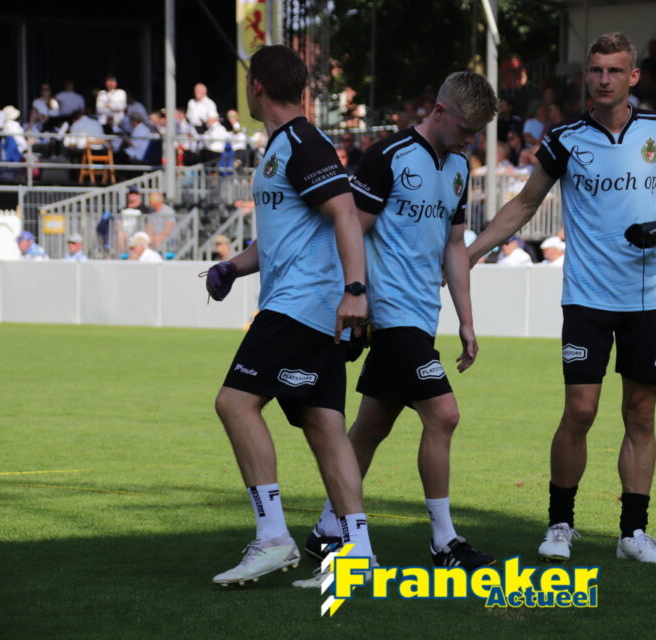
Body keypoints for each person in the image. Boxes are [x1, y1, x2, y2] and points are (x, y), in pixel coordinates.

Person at [467, 32, 656, 564]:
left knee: (641, 414)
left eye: (614, 70)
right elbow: (526, 202)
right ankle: (560, 524)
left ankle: (633, 533)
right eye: (595, 70)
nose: (603, 79)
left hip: (648, 297)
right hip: (588, 297)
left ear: (632, 76)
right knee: (581, 410)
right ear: (586, 75)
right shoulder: (564, 138)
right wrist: (471, 251)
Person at [306, 71, 498, 571]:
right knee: (444, 415)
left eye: (477, 133)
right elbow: (352, 229)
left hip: (423, 315)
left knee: (372, 425)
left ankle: (327, 529)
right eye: (465, 129)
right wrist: (354, 295)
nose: (470, 140)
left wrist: (466, 320)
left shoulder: (459, 166)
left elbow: (454, 245)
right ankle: (444, 541)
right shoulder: (388, 156)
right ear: (440, 111)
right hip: (389, 315)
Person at [204, 44, 373, 588]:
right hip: (313, 307)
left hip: (301, 306)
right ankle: (359, 555)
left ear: (255, 86)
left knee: (234, 402)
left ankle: (273, 537)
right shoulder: (285, 147)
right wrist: (233, 266)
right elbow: (284, 237)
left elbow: (345, 212)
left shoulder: (302, 143)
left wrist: (356, 291)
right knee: (325, 427)